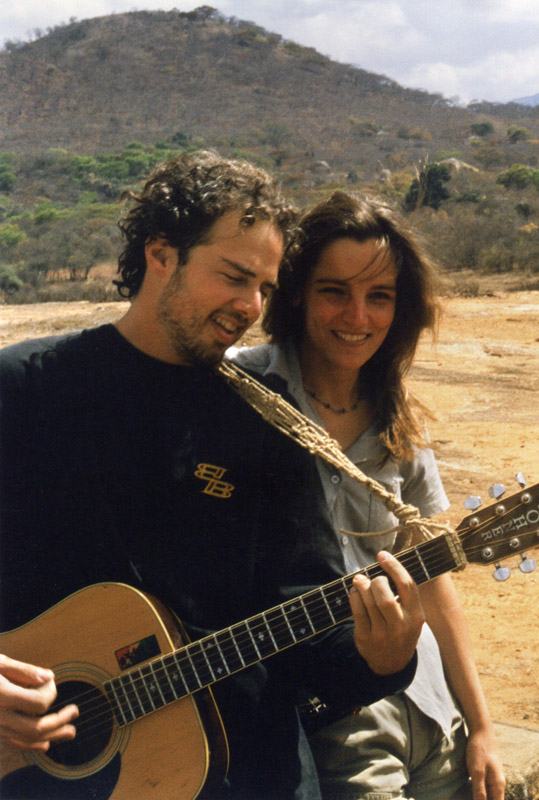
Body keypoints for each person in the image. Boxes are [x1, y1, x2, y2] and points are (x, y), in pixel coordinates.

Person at [0, 155, 426, 800]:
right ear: (161, 254)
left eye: (264, 287)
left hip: (251, 774)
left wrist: (383, 658)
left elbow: (306, 621)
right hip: (46, 774)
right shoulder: (25, 389)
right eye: (234, 276)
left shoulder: (265, 420)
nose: (250, 306)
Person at [231, 190, 507, 800]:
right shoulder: (242, 391)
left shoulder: (399, 422)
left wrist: (482, 726)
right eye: (336, 291)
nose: (357, 316)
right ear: (297, 291)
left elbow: (434, 579)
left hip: (430, 708)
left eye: (379, 296)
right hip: (336, 713)